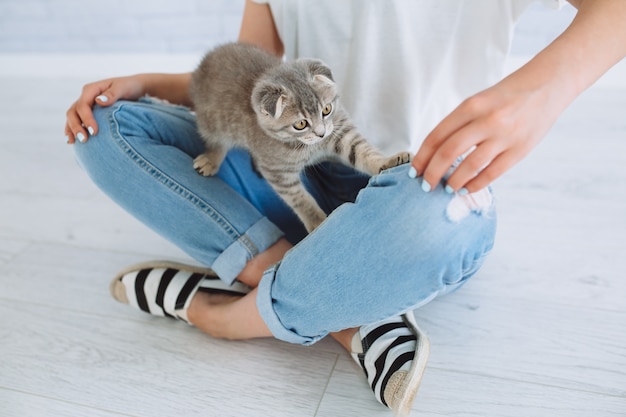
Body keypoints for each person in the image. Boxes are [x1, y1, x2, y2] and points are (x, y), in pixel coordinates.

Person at [64, 1, 626, 415]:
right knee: (104, 128)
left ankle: (231, 313)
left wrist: (539, 94)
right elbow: (246, 86)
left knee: (441, 223)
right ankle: (345, 316)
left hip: (412, 183)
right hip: (285, 172)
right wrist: (144, 84)